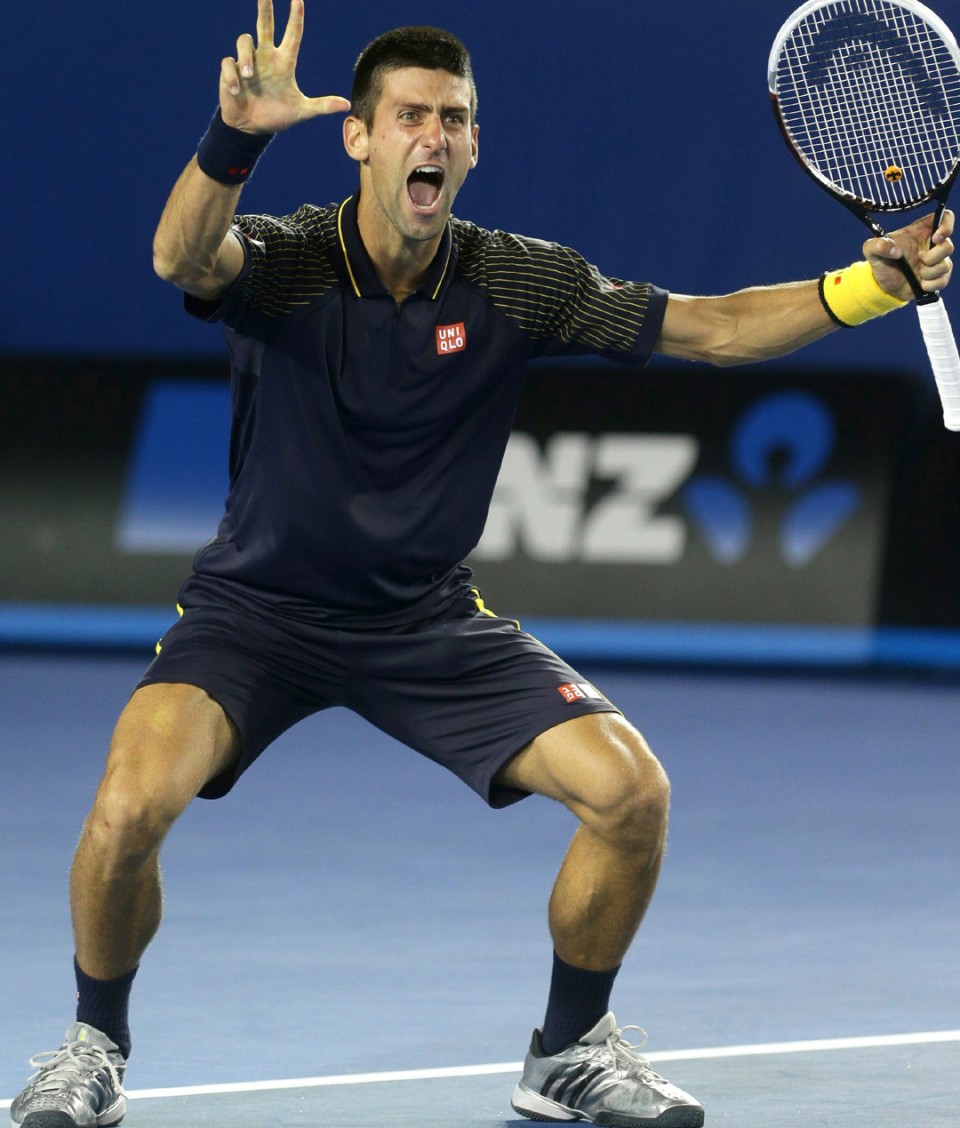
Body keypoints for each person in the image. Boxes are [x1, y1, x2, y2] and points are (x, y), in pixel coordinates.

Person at [11, 2, 954, 1127]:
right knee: (127, 808)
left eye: (454, 119)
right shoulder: (288, 260)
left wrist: (871, 286)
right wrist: (236, 140)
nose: (435, 136)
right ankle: (93, 1047)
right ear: (358, 137)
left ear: (472, 144)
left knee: (631, 793)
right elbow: (179, 251)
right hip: (254, 615)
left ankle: (567, 1051)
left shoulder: (517, 279)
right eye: (410, 115)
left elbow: (713, 328)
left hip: (424, 620)